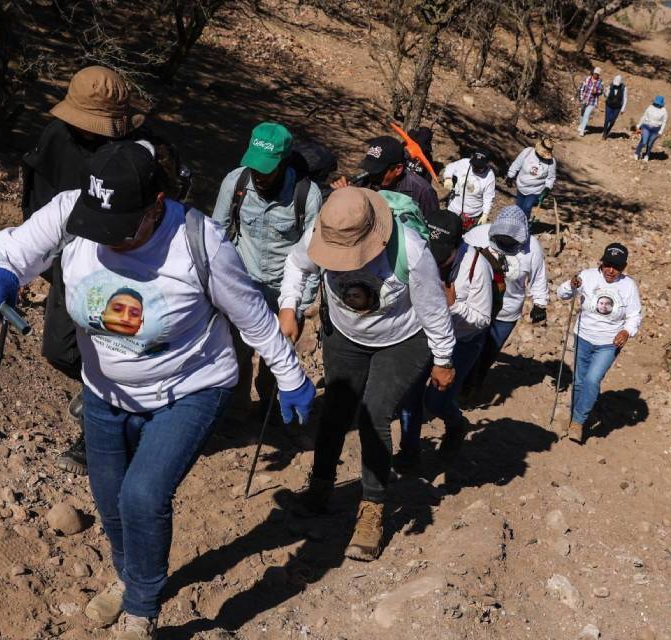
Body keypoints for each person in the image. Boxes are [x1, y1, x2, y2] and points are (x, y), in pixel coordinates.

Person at [0, 141, 316, 640]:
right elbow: (6, 250)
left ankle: (141, 612)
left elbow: (253, 318)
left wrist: (289, 374)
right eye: (100, 225)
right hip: (105, 390)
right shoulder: (71, 212)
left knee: (143, 495)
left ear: (156, 205)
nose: (108, 239)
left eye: (122, 229)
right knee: (110, 503)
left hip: (192, 387)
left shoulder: (199, 241)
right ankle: (130, 578)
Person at [279, 188, 455, 561]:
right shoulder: (322, 231)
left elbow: (433, 307)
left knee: (374, 413)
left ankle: (372, 509)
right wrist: (288, 306)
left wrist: (443, 359)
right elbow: (296, 264)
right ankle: (320, 489)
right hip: (345, 334)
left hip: (403, 340)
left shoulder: (410, 250)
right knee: (335, 411)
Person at [20, 66, 148, 476]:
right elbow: (36, 195)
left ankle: (98, 433)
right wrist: (39, 255)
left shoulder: (143, 151)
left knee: (115, 352)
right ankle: (108, 396)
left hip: (122, 267)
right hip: (68, 258)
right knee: (59, 349)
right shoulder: (57, 136)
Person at [211, 122, 322, 423]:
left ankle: (270, 410)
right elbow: (215, 236)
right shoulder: (235, 182)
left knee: (279, 355)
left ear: (283, 163)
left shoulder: (307, 196)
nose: (258, 176)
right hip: (242, 284)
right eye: (254, 167)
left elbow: (313, 258)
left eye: (267, 170)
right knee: (235, 351)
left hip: (285, 290)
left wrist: (297, 307)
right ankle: (234, 411)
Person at [396, 209, 494, 475]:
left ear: (457, 246)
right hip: (425, 335)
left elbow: (483, 319)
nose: (436, 262)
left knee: (436, 401)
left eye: (443, 256)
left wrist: (453, 306)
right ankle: (409, 452)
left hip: (463, 341)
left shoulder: (477, 267)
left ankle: (455, 423)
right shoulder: (420, 251)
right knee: (410, 393)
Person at [461, 206, 548, 401]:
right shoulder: (477, 235)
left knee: (488, 352)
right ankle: (457, 385)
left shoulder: (532, 248)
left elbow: (538, 276)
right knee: (468, 348)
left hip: (507, 311)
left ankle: (474, 386)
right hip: (475, 305)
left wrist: (540, 304)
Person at [557, 243, 642, 443]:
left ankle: (578, 422)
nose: (611, 270)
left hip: (609, 342)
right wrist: (571, 285)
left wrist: (626, 331)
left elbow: (634, 315)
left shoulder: (628, 286)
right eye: (608, 265)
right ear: (601, 262)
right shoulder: (587, 276)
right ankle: (574, 416)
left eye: (617, 267)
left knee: (592, 379)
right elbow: (562, 294)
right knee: (579, 380)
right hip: (583, 336)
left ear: (624, 267)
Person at [332, 135, 439, 218]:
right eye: (370, 168)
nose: (372, 175)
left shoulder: (423, 192)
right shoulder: (365, 180)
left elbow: (432, 229)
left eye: (378, 171)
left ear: (398, 169)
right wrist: (348, 193)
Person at [442, 150, 496, 229]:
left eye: (479, 167)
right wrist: (448, 178)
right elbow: (450, 167)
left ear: (487, 164)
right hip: (454, 209)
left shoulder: (489, 176)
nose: (475, 168)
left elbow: (488, 197)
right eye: (474, 165)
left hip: (472, 214)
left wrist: (485, 214)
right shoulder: (464, 163)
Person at [505, 139, 557, 219]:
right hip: (521, 186)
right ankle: (517, 223)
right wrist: (510, 176)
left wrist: (547, 188)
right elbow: (517, 164)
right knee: (518, 208)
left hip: (535, 190)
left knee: (527, 207)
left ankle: (524, 225)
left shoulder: (551, 162)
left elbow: (551, 177)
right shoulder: (527, 152)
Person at [635, 95, 668, 162]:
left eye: (658, 104)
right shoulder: (650, 107)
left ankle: (647, 155)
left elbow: (664, 122)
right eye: (656, 103)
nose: (657, 105)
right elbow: (644, 116)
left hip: (656, 129)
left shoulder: (664, 111)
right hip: (646, 126)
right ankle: (637, 153)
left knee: (650, 143)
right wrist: (639, 125)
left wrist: (660, 132)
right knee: (644, 142)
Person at [576, 67, 605, 137]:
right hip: (584, 98)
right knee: (582, 112)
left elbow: (601, 91)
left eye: (597, 74)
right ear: (593, 73)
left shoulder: (600, 82)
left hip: (592, 101)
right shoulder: (587, 79)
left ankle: (582, 130)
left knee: (587, 114)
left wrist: (597, 91)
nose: (596, 75)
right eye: (595, 73)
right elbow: (582, 88)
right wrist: (580, 97)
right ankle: (581, 125)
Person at [601, 75, 628, 140]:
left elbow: (625, 98)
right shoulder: (610, 86)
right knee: (607, 120)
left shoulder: (624, 88)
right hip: (609, 105)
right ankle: (604, 133)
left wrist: (623, 109)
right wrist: (604, 91)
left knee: (612, 120)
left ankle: (608, 130)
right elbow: (606, 95)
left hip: (617, 107)